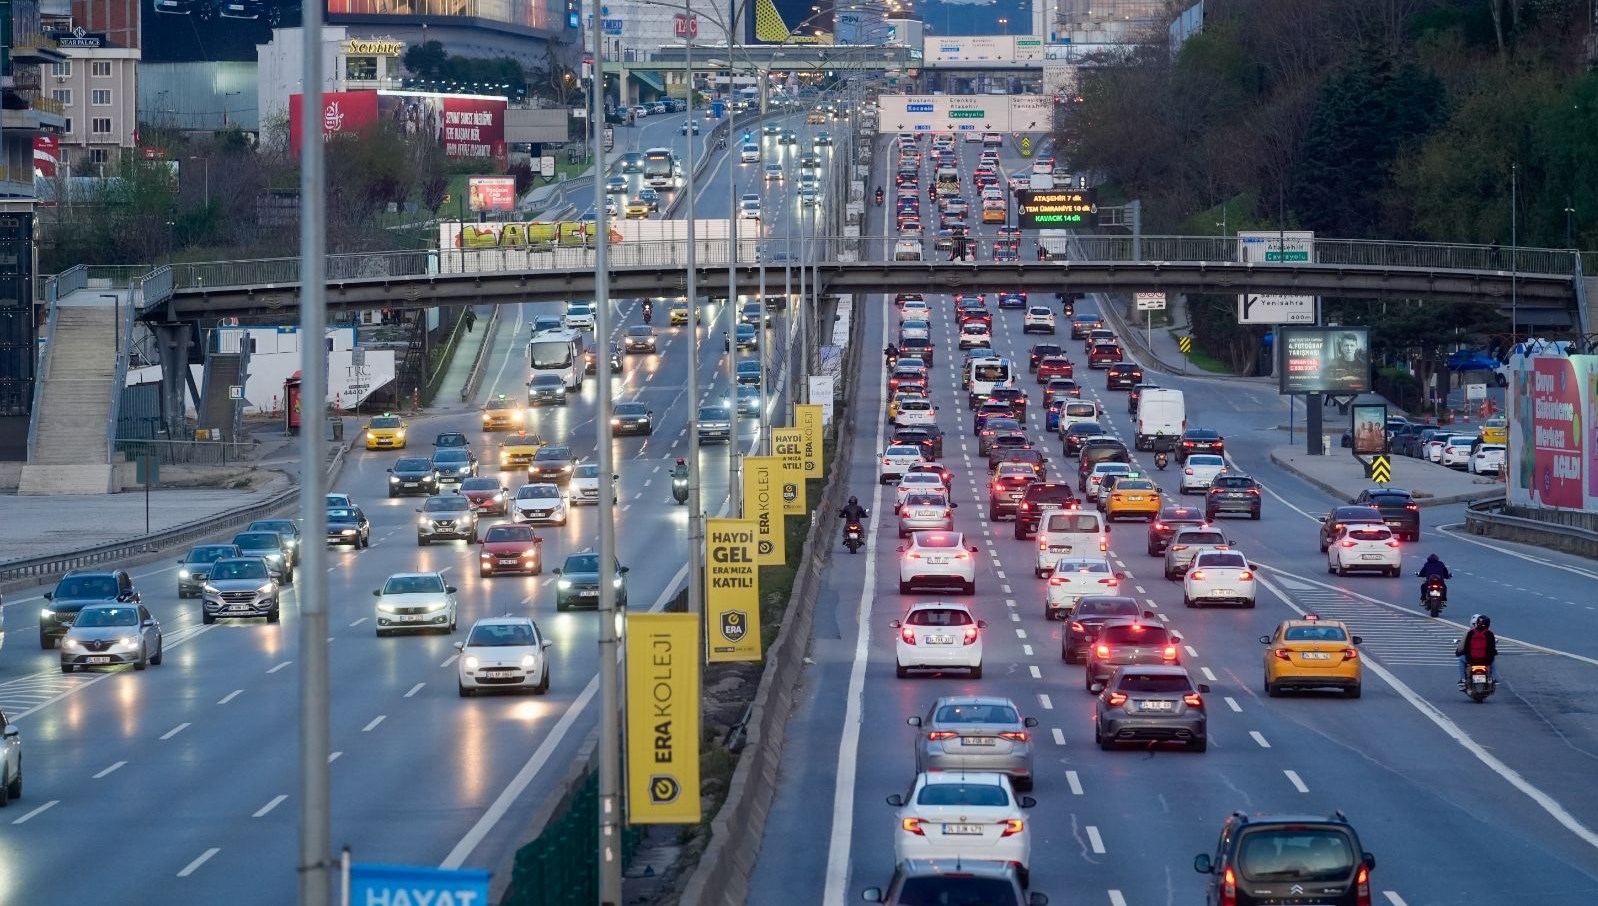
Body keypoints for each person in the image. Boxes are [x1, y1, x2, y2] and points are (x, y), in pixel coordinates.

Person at [1457, 614, 1497, 688]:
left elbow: (1466, 647)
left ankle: (1462, 679)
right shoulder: (1489, 634)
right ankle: (1493, 678)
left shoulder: (1470, 633)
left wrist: (1463, 654)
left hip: (1471, 660)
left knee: (1461, 660)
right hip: (1485, 660)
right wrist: (1491, 657)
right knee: (1493, 661)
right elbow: (1492, 649)